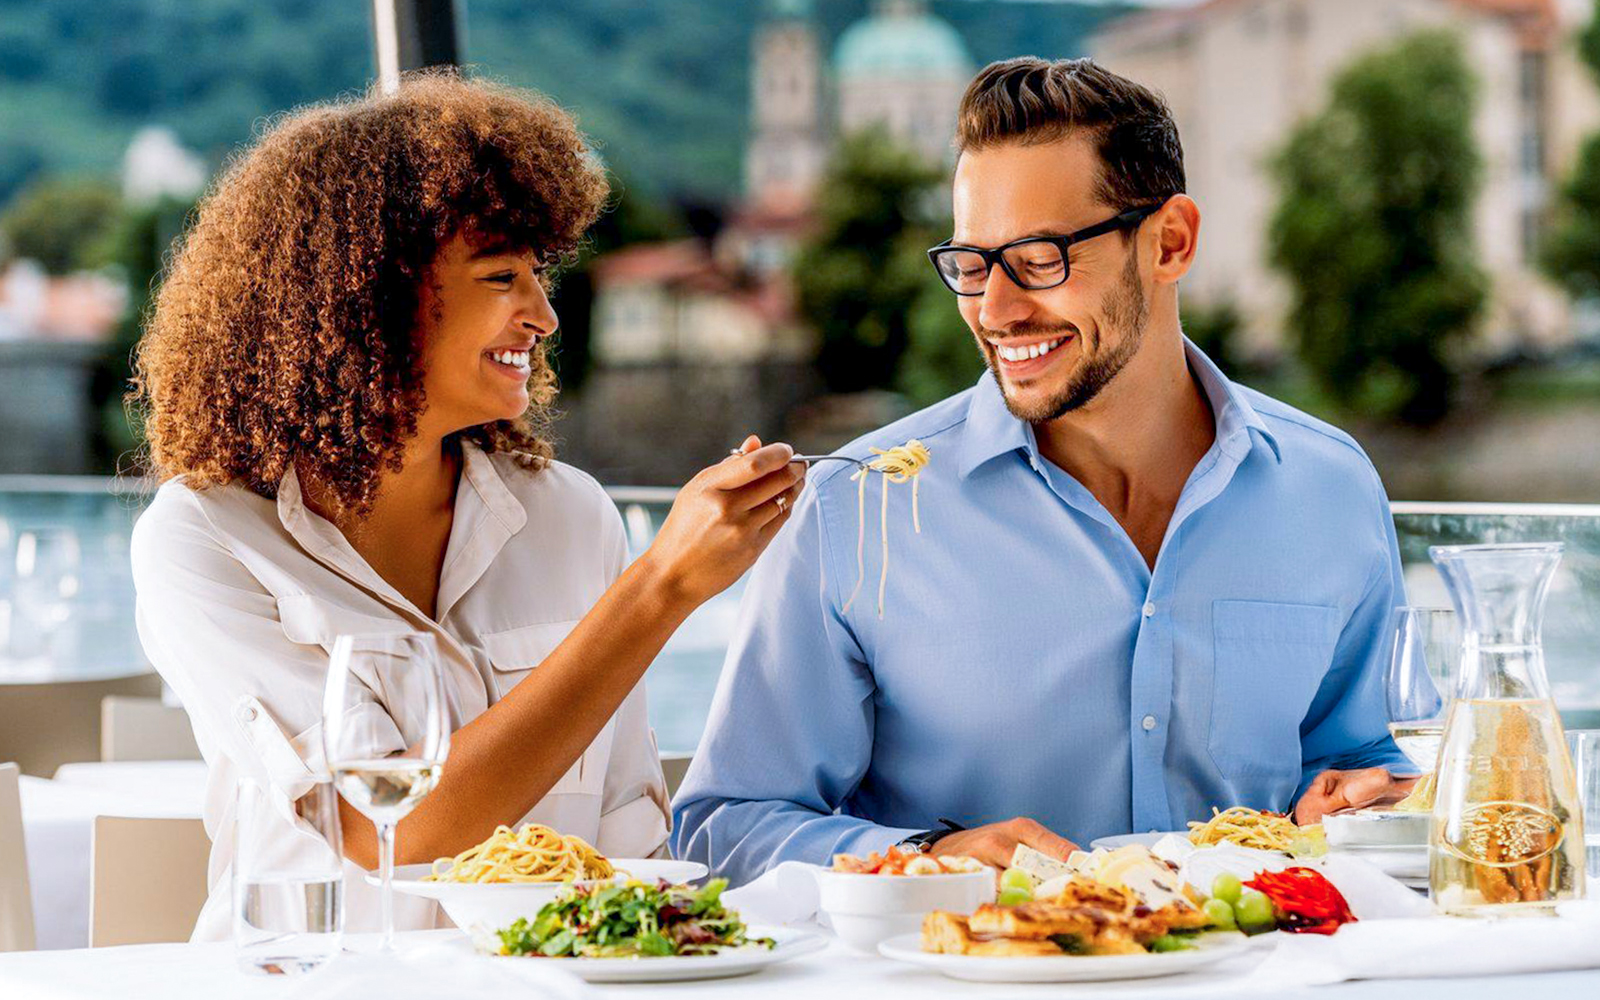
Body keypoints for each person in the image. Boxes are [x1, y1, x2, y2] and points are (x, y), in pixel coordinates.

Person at [673, 57, 1420, 885]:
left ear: (1170, 241)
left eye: (1038, 257)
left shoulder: (1332, 490)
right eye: (969, 263)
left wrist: (1366, 806)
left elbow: (1370, 768)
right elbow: (724, 828)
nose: (993, 311)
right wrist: (928, 859)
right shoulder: (858, 507)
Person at [129, 73, 804, 938]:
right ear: (367, 296)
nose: (544, 314)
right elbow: (393, 829)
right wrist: (661, 587)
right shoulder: (206, 539)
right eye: (500, 277)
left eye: (538, 274)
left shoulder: (572, 516)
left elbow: (631, 829)